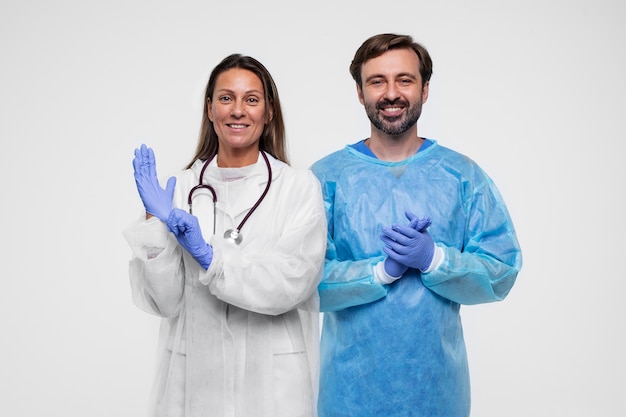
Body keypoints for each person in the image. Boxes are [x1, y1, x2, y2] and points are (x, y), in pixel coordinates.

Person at [310, 33, 523, 417]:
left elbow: (501, 270)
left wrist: (435, 260)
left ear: (425, 89)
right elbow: (302, 282)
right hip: (348, 394)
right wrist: (380, 272)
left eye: (404, 80)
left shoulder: (462, 176)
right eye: (377, 81)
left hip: (437, 394)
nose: (391, 93)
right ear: (360, 93)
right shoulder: (326, 179)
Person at [123, 54, 327, 417]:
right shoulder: (179, 189)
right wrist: (155, 222)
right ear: (210, 109)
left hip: (275, 387)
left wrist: (209, 257)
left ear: (268, 112)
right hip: (194, 384)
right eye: (226, 98)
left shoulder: (297, 188)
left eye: (251, 99)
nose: (238, 110)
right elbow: (164, 303)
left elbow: (293, 282)